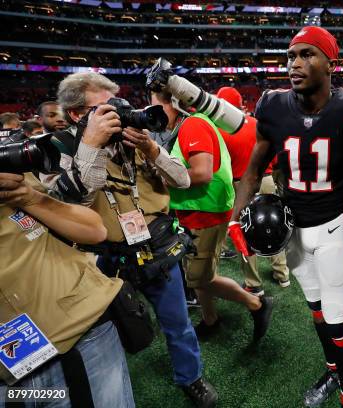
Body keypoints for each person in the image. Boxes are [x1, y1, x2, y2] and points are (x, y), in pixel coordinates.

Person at [41, 72, 217, 407]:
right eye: (105, 109)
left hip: (155, 248)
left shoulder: (133, 139)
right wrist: (92, 146)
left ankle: (191, 377)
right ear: (78, 114)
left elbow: (181, 179)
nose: (119, 114)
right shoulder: (57, 149)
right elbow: (71, 205)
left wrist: (152, 148)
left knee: (178, 324)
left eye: (118, 105)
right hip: (102, 257)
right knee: (111, 334)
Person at [229, 26, 343, 408]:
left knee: (337, 320)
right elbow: (253, 171)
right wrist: (235, 219)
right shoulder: (272, 105)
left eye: (307, 54)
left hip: (333, 226)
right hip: (294, 232)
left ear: (330, 63)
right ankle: (335, 369)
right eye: (291, 56)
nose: (295, 63)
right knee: (318, 312)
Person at [0, 172, 134, 407]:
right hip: (10, 373)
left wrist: (30, 198)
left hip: (82, 334)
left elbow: (94, 230)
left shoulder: (9, 178)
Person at [152, 88, 274, 342]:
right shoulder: (194, 122)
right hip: (198, 210)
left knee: (199, 277)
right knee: (198, 274)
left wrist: (160, 180)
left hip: (204, 213)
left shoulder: (193, 125)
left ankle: (257, 304)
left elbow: (202, 173)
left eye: (157, 106)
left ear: (174, 103)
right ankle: (210, 319)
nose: (154, 113)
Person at [217, 86, 290, 295]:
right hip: (266, 180)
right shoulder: (258, 124)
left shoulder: (219, 129)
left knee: (244, 232)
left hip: (239, 186)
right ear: (240, 104)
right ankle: (282, 274)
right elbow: (276, 160)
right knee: (276, 226)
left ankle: (254, 283)